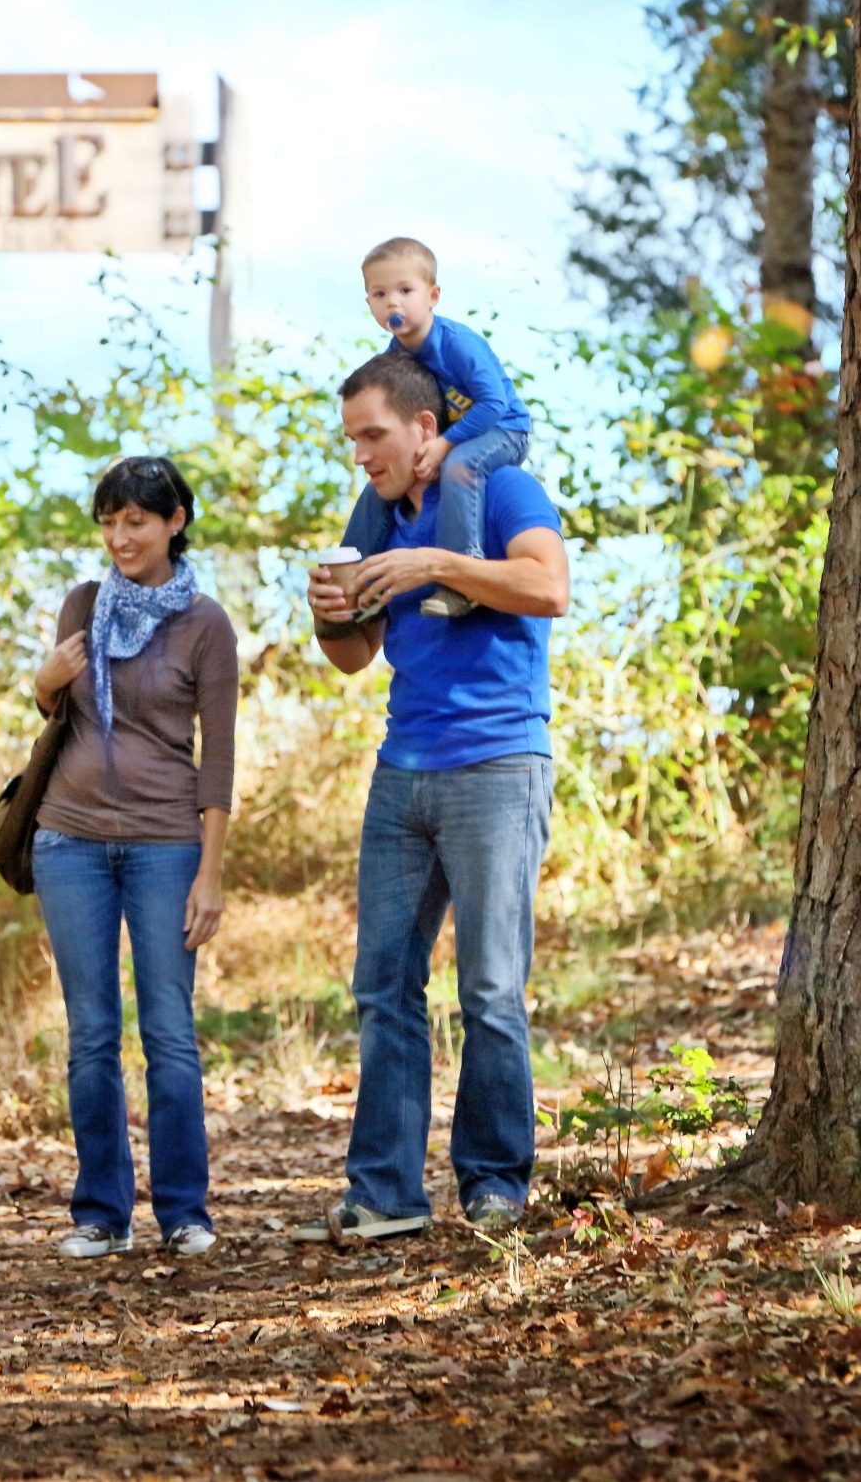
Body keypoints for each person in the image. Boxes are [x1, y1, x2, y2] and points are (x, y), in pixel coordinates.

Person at [299, 351, 567, 1241]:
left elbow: (548, 586)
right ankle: (384, 1195)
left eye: (373, 435)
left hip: (498, 764)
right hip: (402, 770)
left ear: (425, 427)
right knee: (383, 983)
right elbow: (351, 656)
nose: (362, 455)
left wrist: (438, 567)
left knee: (490, 987)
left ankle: (494, 1181)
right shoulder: (375, 513)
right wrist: (330, 609)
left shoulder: (501, 489)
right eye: (352, 440)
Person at [29, 455, 238, 1259]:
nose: (120, 537)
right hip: (69, 839)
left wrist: (210, 873)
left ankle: (185, 1209)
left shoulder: (206, 624)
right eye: (109, 522)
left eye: (136, 521)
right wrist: (44, 681)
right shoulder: (83, 605)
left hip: (165, 844)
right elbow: (57, 706)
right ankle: (101, 1213)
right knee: (90, 1034)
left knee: (169, 1032)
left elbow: (217, 757)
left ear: (175, 521)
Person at [337, 236, 534, 619]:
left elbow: (494, 405)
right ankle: (353, 581)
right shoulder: (394, 360)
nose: (393, 302)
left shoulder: (457, 344)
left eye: (405, 290)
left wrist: (445, 444)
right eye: (379, 294)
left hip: (503, 430)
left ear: (433, 296)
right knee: (385, 481)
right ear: (369, 304)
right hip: (452, 435)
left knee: (461, 466)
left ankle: (461, 580)